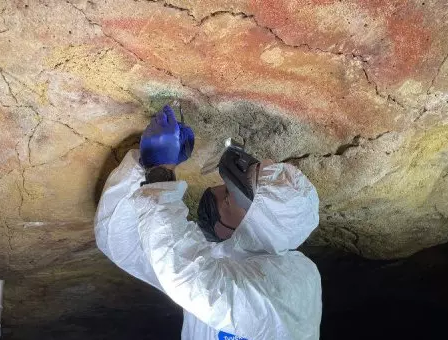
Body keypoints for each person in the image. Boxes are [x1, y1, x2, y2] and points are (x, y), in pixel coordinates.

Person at [95, 105, 322, 340]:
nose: (213, 192)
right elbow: (119, 241)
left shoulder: (289, 289)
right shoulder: (227, 257)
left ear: (256, 224)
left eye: (226, 198)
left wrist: (160, 173)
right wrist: (143, 166)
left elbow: (189, 279)